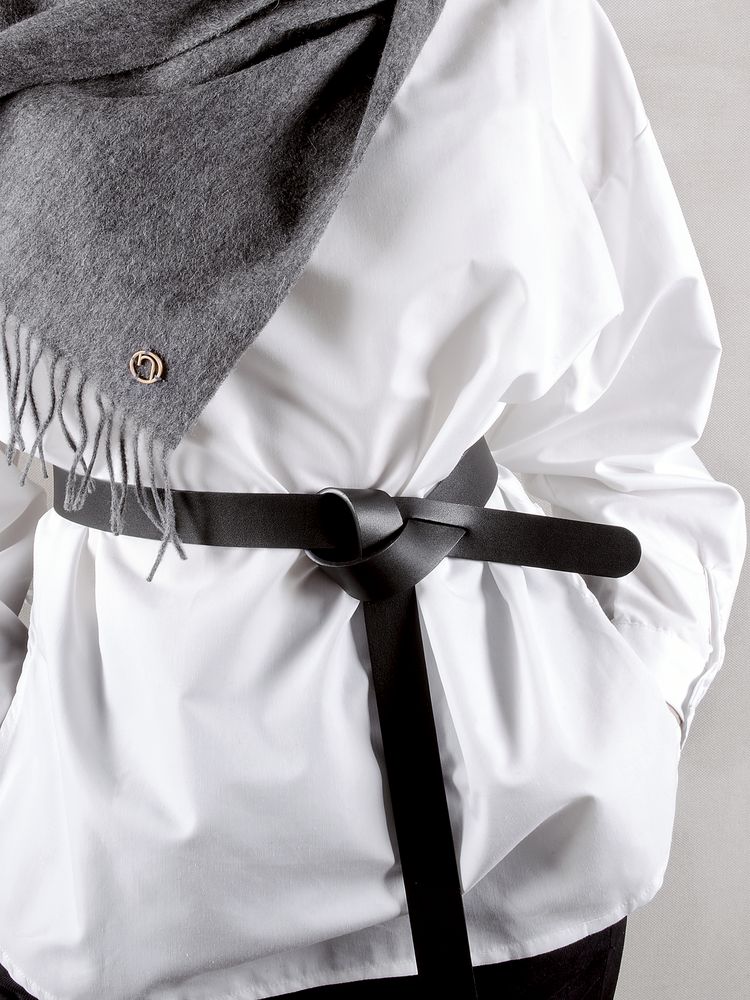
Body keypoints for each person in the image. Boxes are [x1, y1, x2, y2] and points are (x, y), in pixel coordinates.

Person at [0, 1, 745, 999]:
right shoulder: (29, 36)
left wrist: (641, 702)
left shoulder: (514, 18)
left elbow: (630, 418)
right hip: (130, 887)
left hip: (519, 851)